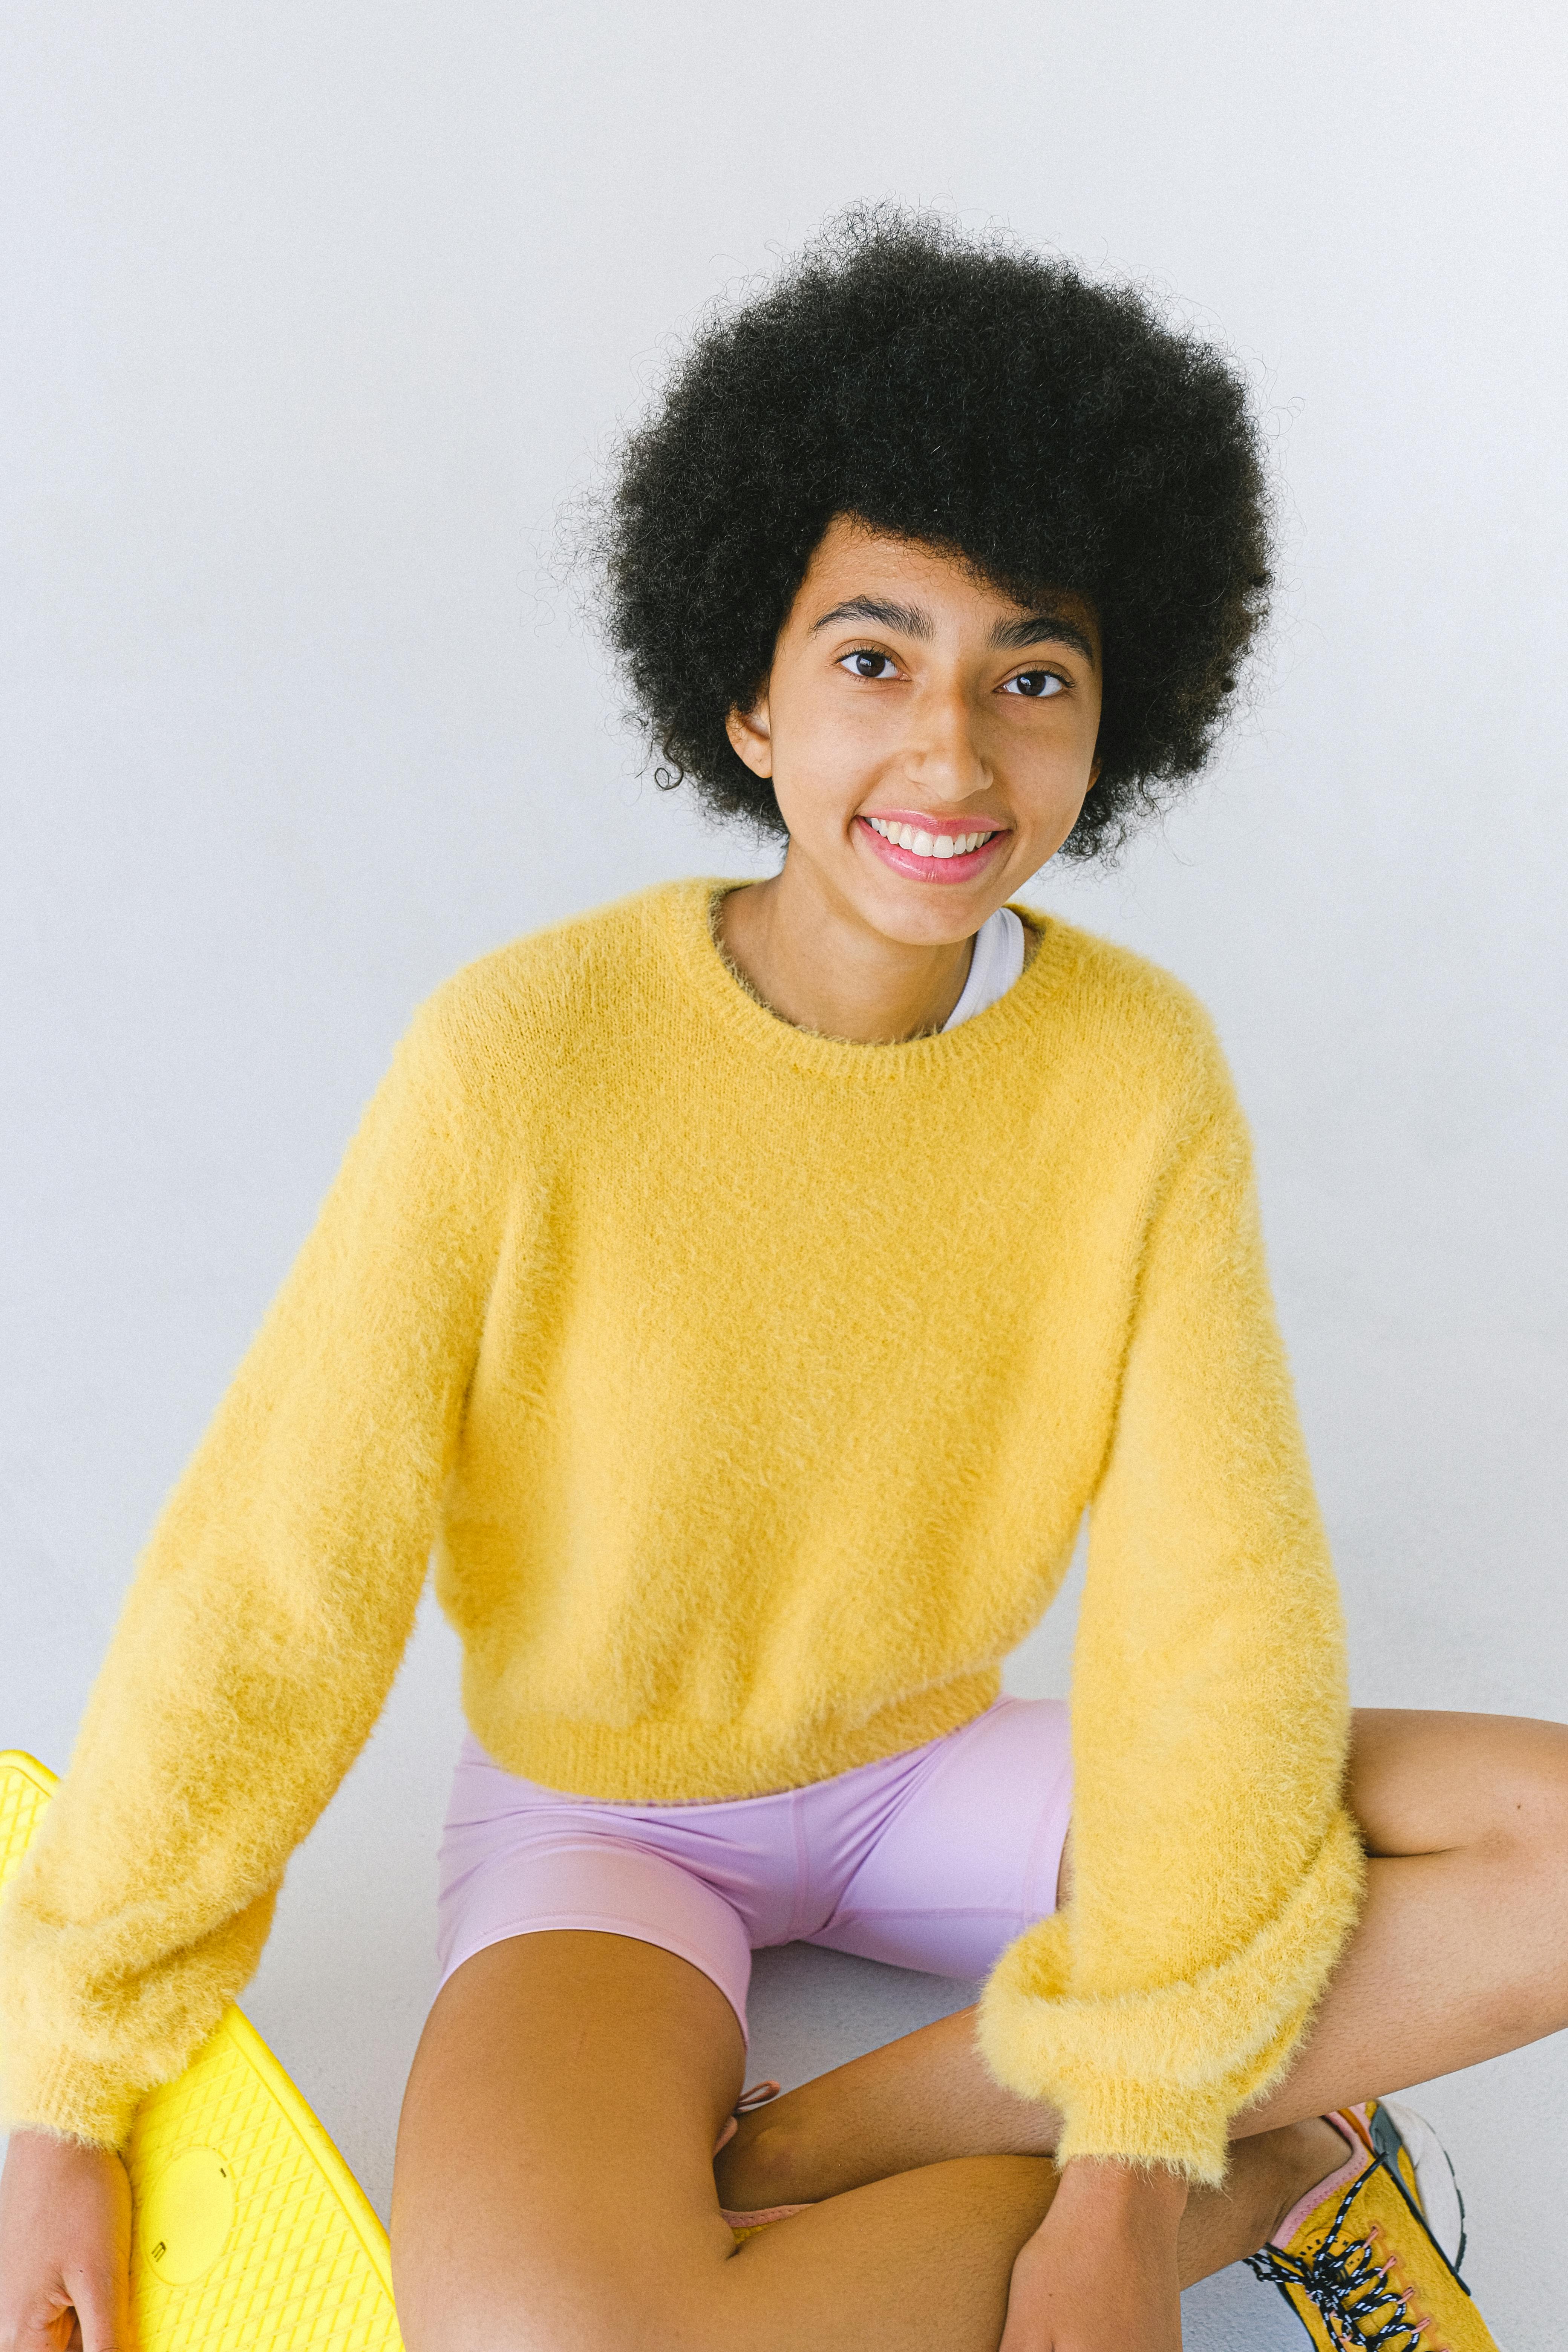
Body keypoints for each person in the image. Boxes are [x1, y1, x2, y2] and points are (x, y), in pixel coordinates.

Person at [1, 208, 1563, 2352]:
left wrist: (1116, 2192)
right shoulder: (518, 1054)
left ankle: (898, 2144)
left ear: (1119, 722)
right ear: (744, 690)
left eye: (1033, 676)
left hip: (948, 1773)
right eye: (873, 657)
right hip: (608, 1827)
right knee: (548, 2341)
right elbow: (283, 1566)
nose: (951, 757)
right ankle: (1283, 2153)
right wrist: (67, 2078)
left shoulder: (1136, 1078)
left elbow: (1221, 1617)